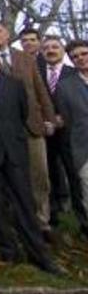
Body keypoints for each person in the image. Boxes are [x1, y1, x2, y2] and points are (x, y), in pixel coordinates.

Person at [0, 43, 61, 274]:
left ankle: (39, 253)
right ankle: (9, 248)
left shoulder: (15, 86)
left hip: (14, 151)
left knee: (25, 204)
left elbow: (22, 113)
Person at [0, 19, 57, 242]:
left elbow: (40, 89)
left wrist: (49, 117)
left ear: (7, 34)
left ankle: (41, 222)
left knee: (39, 176)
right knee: (10, 178)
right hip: (3, 130)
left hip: (31, 127)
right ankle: (13, 223)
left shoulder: (25, 58)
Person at [53, 40, 88, 238]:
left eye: (84, 53)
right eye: (75, 57)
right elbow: (65, 119)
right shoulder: (66, 86)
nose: (80, 58)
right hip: (83, 148)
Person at [40, 35, 76, 227]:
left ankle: (80, 214)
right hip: (46, 132)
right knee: (49, 173)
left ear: (62, 51)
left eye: (55, 47)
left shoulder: (74, 73)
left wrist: (64, 118)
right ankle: (52, 213)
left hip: (71, 133)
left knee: (74, 173)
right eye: (46, 48)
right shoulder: (37, 72)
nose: (51, 50)